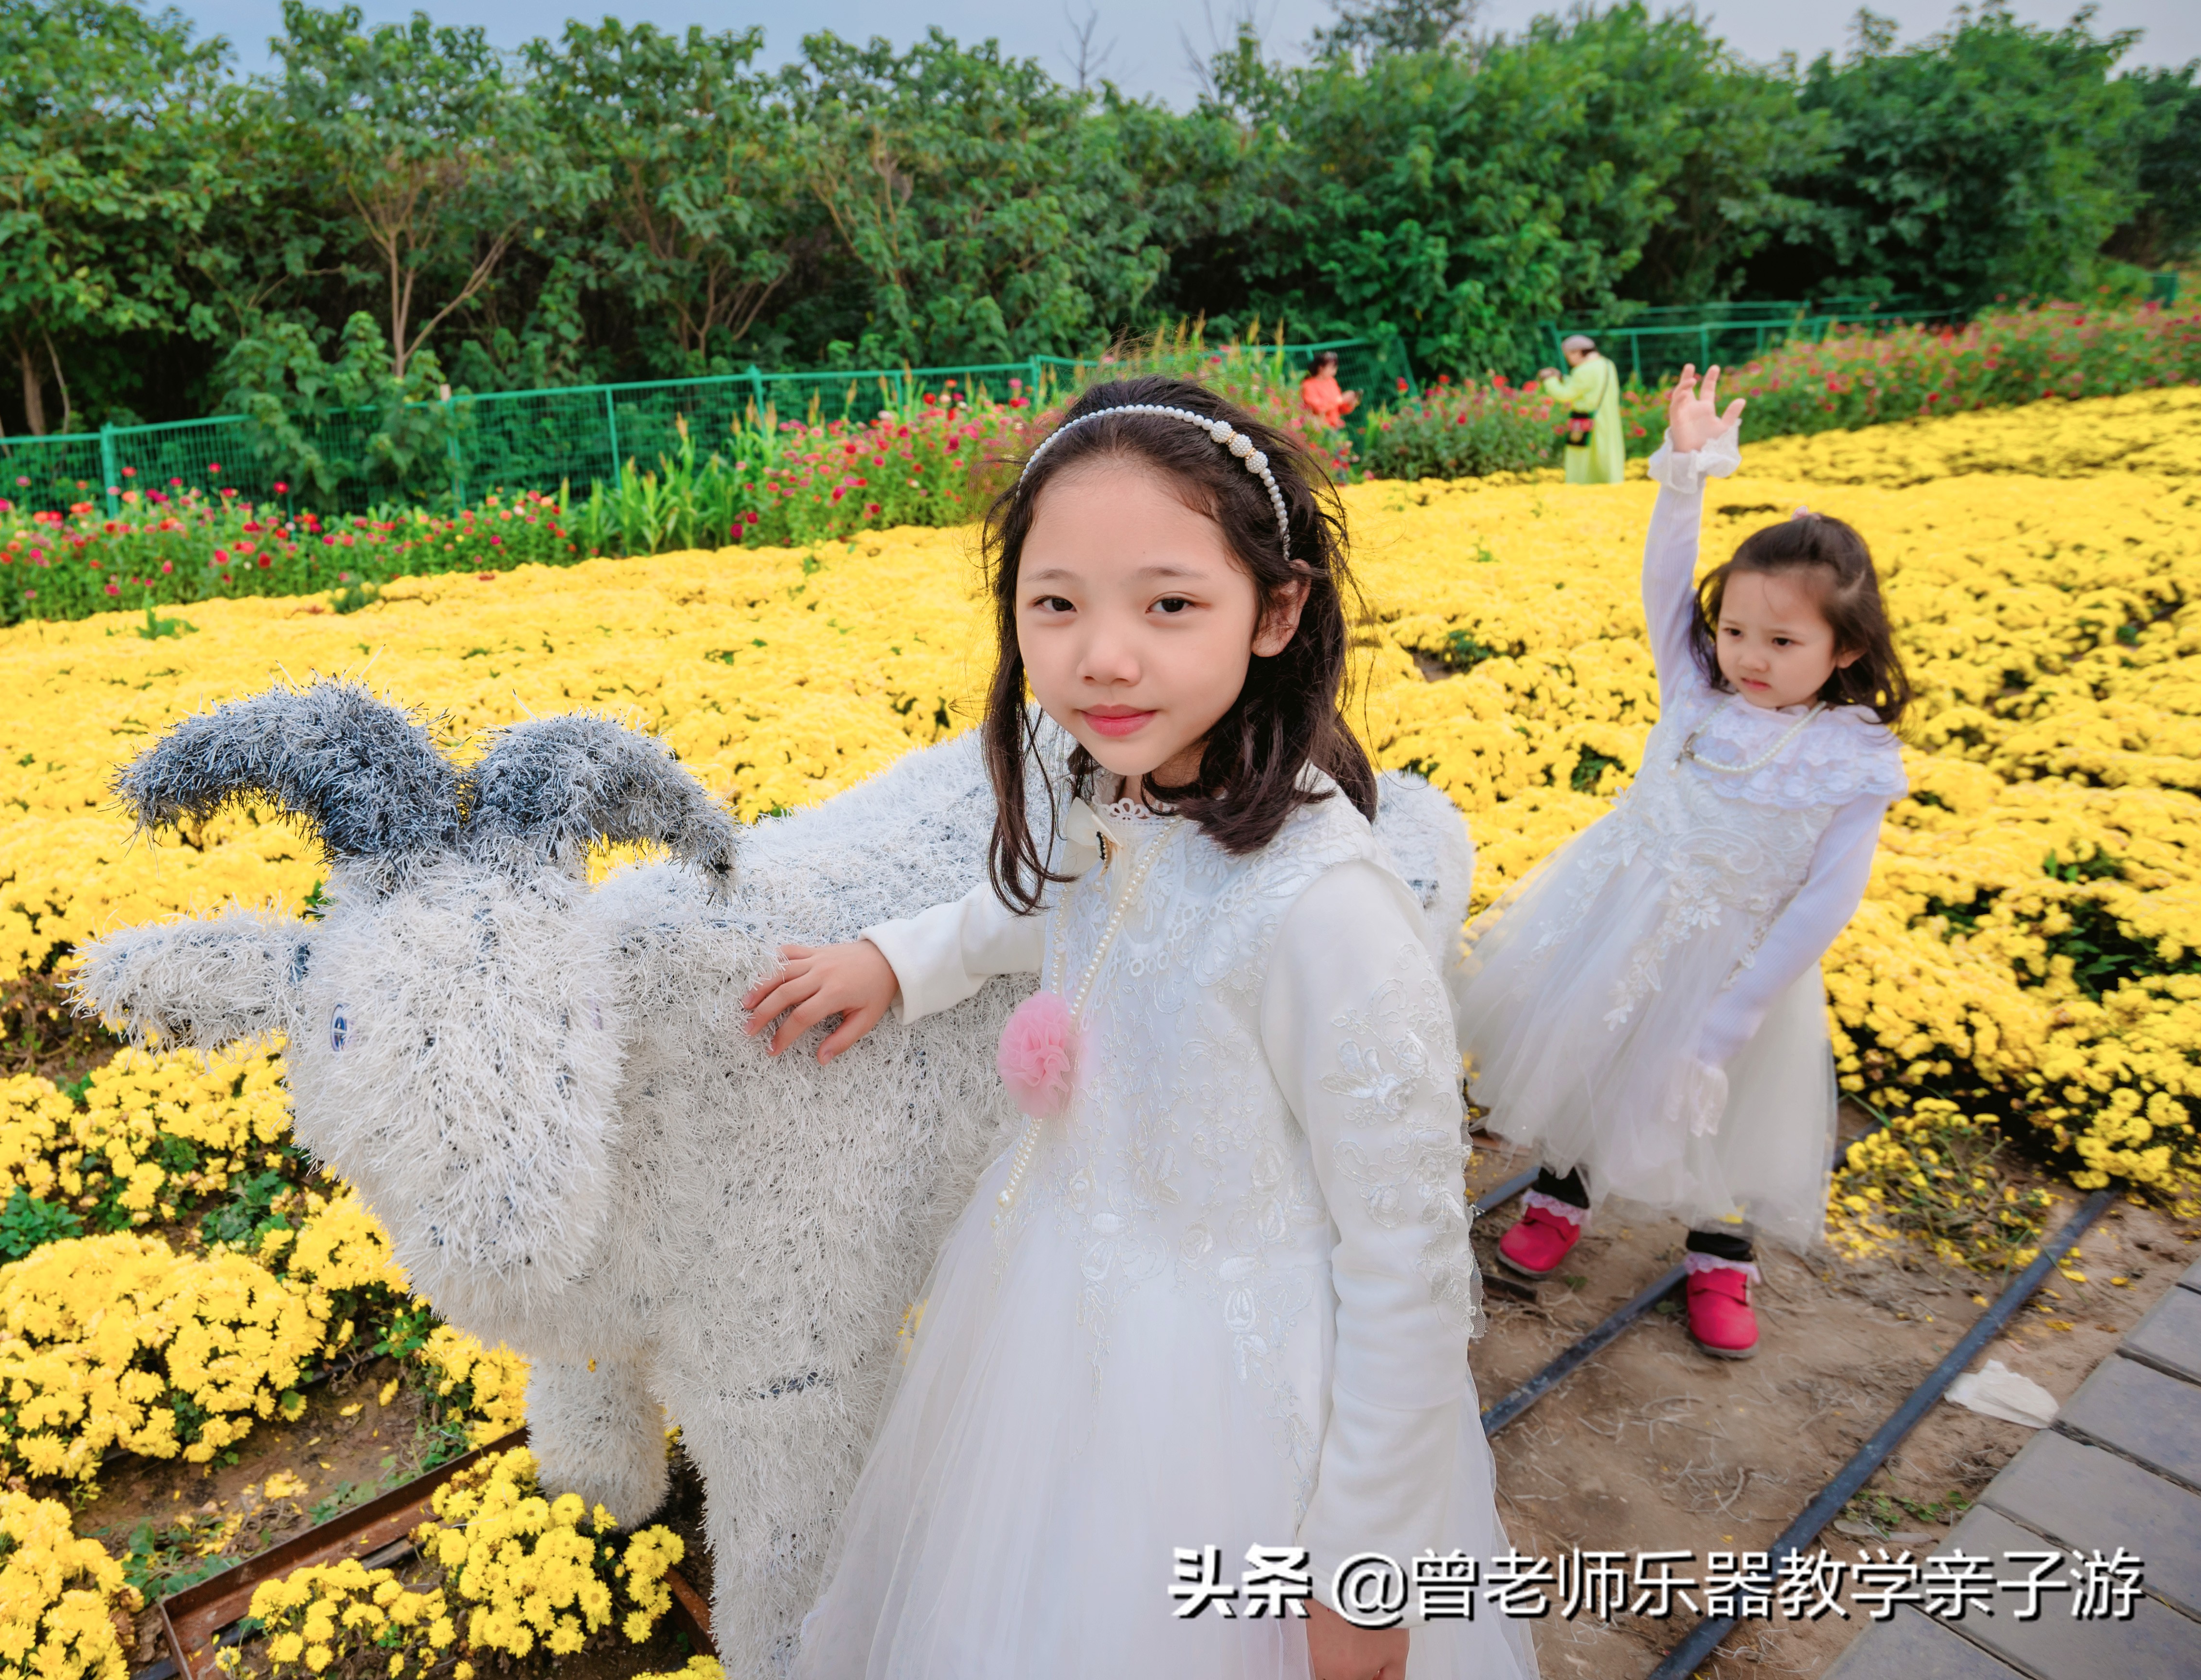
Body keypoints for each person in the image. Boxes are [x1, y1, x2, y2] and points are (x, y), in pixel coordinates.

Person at [743, 378, 1535, 1680]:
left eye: (1170, 604)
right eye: (1057, 603)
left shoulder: (1326, 913)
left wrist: (1362, 1568)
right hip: (1060, 1293)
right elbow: (1057, 915)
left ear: (1277, 611)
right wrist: (896, 959)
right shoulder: (1105, 784)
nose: (1103, 656)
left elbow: (1409, 1263)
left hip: (1230, 1396)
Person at [1453, 367, 1908, 1360]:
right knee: (1588, 1063)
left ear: (1841, 649)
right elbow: (1665, 581)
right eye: (1735, 630)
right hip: (1615, 919)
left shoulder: (1849, 759)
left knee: (1719, 1112)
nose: (1748, 653)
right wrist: (1683, 480)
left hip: (1740, 968)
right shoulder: (1694, 694)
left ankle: (1717, 1252)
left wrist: (1731, 1014)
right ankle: (1558, 1193)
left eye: (1782, 639)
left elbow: (1828, 898)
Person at [1554, 335, 1624, 484]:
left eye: (1568, 356)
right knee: (1606, 454)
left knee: (1581, 458)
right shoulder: (1608, 365)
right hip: (1607, 420)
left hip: (1584, 419)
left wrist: (1550, 381)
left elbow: (1565, 395)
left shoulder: (1584, 370)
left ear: (1577, 353)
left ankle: (1581, 485)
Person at [1300, 351, 1358, 430]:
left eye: (1335, 368)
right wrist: (1340, 400)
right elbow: (1318, 408)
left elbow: (1339, 408)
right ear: (1321, 368)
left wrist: (1349, 403)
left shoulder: (1332, 382)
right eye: (1331, 368)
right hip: (1318, 429)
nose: (1334, 371)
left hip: (1334, 428)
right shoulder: (1308, 385)